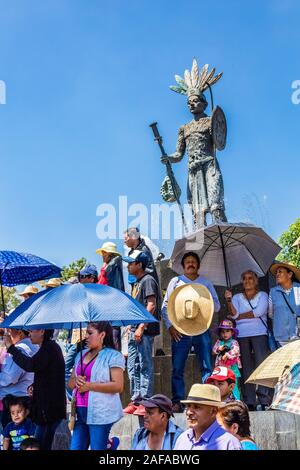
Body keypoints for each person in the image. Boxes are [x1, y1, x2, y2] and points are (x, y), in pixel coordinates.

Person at [162, 252, 220, 412]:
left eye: (193, 262)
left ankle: (207, 400)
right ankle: (177, 401)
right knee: (177, 368)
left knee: (207, 366)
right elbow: (165, 307)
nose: (190, 264)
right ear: (183, 265)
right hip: (180, 330)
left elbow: (217, 305)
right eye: (187, 262)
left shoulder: (206, 283)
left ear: (198, 265)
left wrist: (203, 304)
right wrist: (170, 327)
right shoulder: (175, 281)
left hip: (201, 329)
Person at [4, 329, 66, 450]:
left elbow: (30, 365)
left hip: (49, 412)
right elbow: (45, 374)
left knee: (40, 445)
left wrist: (11, 347)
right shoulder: (47, 348)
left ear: (42, 331)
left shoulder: (49, 348)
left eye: (32, 331)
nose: (30, 334)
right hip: (47, 410)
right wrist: (34, 387)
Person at [68, 321, 125, 450]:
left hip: (100, 413)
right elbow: (70, 382)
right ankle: (108, 444)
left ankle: (108, 444)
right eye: (86, 333)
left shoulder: (113, 355)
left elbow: (118, 386)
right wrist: (76, 381)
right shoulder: (80, 355)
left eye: (90, 333)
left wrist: (89, 386)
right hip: (79, 412)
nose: (86, 337)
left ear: (102, 335)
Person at [225, 270, 271, 411]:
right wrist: (228, 300)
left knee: (262, 365)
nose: (247, 281)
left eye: (250, 278)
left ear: (256, 280)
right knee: (245, 368)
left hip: (259, 333)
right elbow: (234, 314)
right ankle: (249, 400)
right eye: (244, 278)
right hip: (242, 335)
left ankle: (264, 399)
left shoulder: (263, 295)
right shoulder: (237, 297)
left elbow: (259, 312)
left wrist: (239, 317)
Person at [122, 250, 160, 415]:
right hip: (133, 329)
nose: (128, 266)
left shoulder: (148, 280)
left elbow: (151, 304)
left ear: (140, 264)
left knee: (144, 364)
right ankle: (135, 399)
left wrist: (141, 327)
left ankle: (146, 400)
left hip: (143, 331)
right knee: (133, 366)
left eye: (131, 262)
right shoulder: (136, 283)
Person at [65, 263, 99, 399]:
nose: (80, 279)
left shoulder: (97, 294)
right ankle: (73, 397)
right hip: (76, 336)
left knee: (82, 369)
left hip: (87, 338)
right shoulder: (79, 293)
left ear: (92, 278)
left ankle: (76, 397)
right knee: (69, 368)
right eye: (79, 276)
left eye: (83, 276)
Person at [174, 384, 241, 450]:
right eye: (188, 406)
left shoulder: (229, 443)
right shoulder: (182, 439)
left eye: (197, 407)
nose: (189, 412)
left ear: (213, 411)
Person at [0, 328, 38, 428]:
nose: (6, 335)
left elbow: (10, 376)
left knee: (13, 439)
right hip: (22, 400)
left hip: (15, 403)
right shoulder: (34, 346)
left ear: (20, 332)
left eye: (9, 331)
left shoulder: (21, 348)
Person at [96, 242, 125, 350]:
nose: (102, 255)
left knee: (113, 333)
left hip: (111, 302)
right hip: (106, 302)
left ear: (109, 253)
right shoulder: (109, 264)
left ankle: (116, 357)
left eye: (104, 252)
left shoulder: (114, 264)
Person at [269, 261, 300, 346]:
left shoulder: (298, 289)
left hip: (298, 335)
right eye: (276, 272)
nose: (277, 274)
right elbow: (271, 314)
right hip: (281, 337)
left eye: (280, 272)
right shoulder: (273, 291)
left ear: (289, 275)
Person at [212, 319, 241, 399]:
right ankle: (222, 400)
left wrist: (227, 354)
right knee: (221, 385)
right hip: (221, 368)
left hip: (232, 368)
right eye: (223, 332)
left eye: (227, 331)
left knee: (233, 385)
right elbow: (213, 351)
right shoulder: (219, 342)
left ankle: (237, 400)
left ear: (232, 332)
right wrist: (218, 349)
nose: (225, 334)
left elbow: (236, 351)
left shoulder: (234, 342)